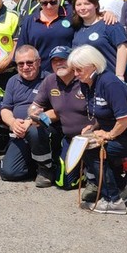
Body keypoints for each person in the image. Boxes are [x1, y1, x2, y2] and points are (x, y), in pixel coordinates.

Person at [70, 45, 127, 215]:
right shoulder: (86, 83)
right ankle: (124, 188)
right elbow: (101, 112)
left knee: (94, 151)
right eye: (74, 70)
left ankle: (113, 200)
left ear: (93, 65)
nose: (75, 74)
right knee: (86, 146)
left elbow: (125, 118)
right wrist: (94, 127)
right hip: (119, 129)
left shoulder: (109, 83)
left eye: (79, 69)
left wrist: (109, 135)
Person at [30, 46, 86, 189]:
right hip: (70, 138)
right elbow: (35, 106)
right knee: (65, 183)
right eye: (55, 61)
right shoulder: (50, 81)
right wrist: (34, 113)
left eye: (63, 59)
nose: (59, 63)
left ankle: (93, 174)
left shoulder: (84, 78)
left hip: (90, 136)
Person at [0, 45, 53, 186]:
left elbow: (57, 111)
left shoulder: (50, 80)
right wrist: (13, 123)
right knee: (9, 173)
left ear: (38, 62)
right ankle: (34, 165)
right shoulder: (12, 81)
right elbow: (5, 109)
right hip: (19, 132)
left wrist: (31, 120)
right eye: (20, 64)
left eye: (29, 62)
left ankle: (45, 169)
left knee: (34, 129)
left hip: (43, 131)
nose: (25, 67)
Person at [16, 0, 74, 74]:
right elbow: (21, 50)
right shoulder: (30, 20)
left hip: (67, 72)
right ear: (38, 1)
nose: (49, 6)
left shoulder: (71, 16)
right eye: (44, 3)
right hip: (39, 75)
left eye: (53, 2)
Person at [71, 0, 127, 78]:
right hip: (88, 81)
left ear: (95, 5)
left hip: (111, 78)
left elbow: (123, 48)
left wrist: (119, 75)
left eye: (87, 4)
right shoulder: (77, 27)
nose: (82, 8)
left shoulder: (109, 23)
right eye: (78, 5)